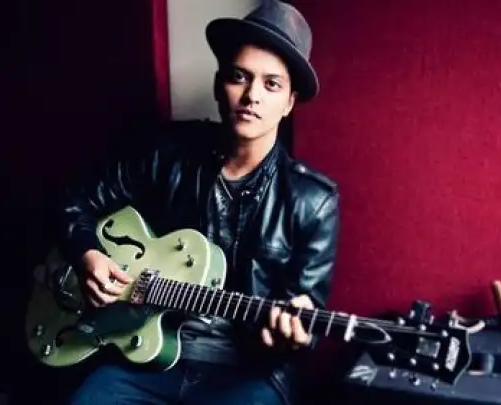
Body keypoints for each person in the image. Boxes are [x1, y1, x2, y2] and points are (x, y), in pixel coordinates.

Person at [59, 1, 340, 404]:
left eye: (271, 84)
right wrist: (88, 254)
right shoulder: (166, 153)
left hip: (246, 373)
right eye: (239, 77)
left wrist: (292, 335)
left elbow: (304, 317)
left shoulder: (314, 201)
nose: (251, 96)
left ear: (289, 103)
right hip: (144, 355)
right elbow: (74, 201)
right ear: (218, 84)